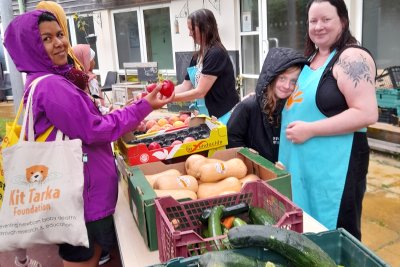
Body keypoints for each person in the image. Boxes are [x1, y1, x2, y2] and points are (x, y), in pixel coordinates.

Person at [3, 10, 173, 267]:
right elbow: (95, 130)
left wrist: (132, 108)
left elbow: (85, 122)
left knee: (88, 255)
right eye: (46, 39)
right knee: (84, 258)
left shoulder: (47, 80)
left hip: (80, 194)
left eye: (60, 34)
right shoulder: (52, 86)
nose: (59, 42)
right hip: (83, 198)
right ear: (30, 47)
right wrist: (142, 107)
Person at [278, 0, 378, 240]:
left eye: (326, 19)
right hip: (302, 166)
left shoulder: (352, 57)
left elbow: (367, 113)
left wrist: (311, 130)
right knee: (306, 231)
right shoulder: (311, 57)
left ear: (343, 21)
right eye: (313, 21)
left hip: (336, 168)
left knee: (337, 236)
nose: (318, 26)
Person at [227, 47, 308, 163]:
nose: (287, 86)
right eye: (282, 78)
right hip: (254, 174)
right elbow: (232, 139)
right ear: (272, 77)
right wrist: (251, 163)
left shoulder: (293, 108)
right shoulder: (248, 106)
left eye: (293, 81)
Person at [173, 8, 239, 124]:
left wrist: (168, 99)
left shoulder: (216, 53)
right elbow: (185, 86)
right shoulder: (197, 57)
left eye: (192, 29)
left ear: (205, 28)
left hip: (224, 117)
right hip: (207, 117)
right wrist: (161, 94)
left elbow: (200, 92)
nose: (189, 34)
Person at [36, 0, 84, 70]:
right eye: (47, 38)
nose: (59, 43)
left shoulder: (66, 54)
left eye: (60, 34)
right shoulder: (60, 58)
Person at [72, 44, 109, 115]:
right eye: (92, 60)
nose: (94, 63)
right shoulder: (90, 80)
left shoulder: (74, 78)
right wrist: (109, 111)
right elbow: (99, 106)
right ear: (84, 61)